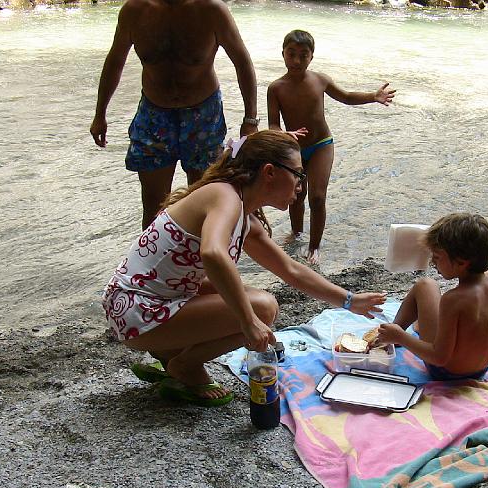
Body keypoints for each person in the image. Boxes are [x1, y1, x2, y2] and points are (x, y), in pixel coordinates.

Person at [102, 130, 387, 401]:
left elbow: (291, 270)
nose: (301, 186)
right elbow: (213, 253)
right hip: (136, 310)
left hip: (145, 301)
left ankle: (168, 353)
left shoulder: (244, 214)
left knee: (252, 298)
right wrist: (248, 322)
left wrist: (349, 301)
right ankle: (185, 365)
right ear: (269, 172)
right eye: (298, 174)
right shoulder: (225, 197)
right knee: (261, 308)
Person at [90, 0, 259, 230]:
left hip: (203, 116)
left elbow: (242, 62)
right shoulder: (135, 11)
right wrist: (100, 114)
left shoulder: (212, 10)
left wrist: (250, 120)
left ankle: (199, 264)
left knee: (203, 202)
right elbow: (115, 61)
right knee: (153, 207)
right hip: (154, 114)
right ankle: (153, 263)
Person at [267, 30, 396, 265]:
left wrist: (372, 96)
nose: (296, 60)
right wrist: (283, 134)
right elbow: (273, 124)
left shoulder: (319, 80)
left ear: (312, 57)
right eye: (291, 54)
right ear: (283, 54)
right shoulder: (276, 88)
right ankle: (296, 236)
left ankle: (314, 248)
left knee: (317, 197)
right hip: (293, 148)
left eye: (303, 55)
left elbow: (346, 96)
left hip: (321, 145)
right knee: (296, 195)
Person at [377, 213, 488, 381]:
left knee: (424, 285)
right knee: (427, 285)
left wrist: (402, 337)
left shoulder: (454, 300)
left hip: (448, 372)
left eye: (437, 257)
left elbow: (439, 357)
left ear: (461, 262)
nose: (432, 262)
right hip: (481, 369)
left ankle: (391, 337)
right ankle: (393, 336)